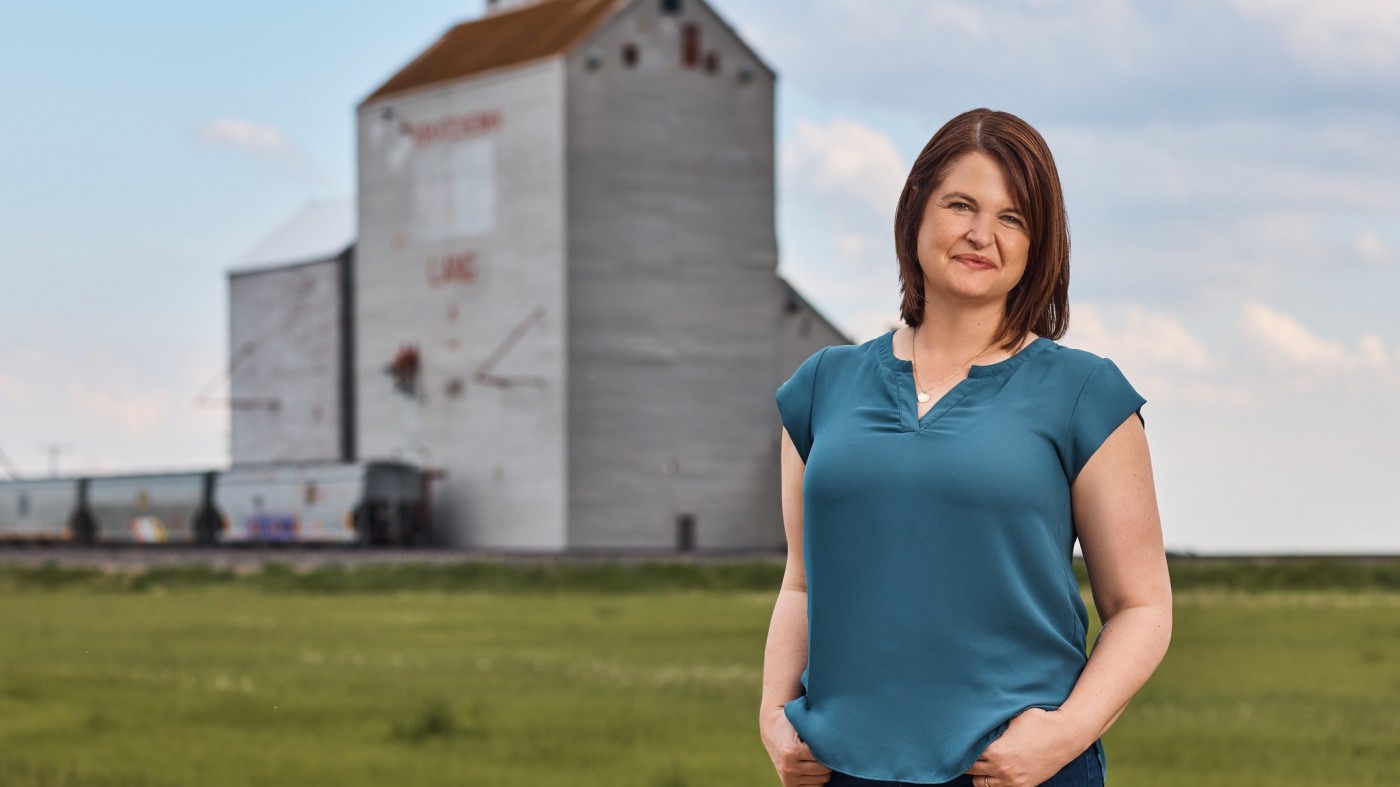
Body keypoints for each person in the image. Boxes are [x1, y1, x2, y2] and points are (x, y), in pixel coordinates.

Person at [758, 108, 1172, 787]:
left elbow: (1142, 607)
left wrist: (1061, 735)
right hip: (840, 770)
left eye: (1013, 217)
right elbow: (802, 581)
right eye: (962, 205)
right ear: (915, 211)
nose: (983, 234)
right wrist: (774, 716)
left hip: (1016, 771)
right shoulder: (820, 388)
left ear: (1040, 244)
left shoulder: (1085, 393)